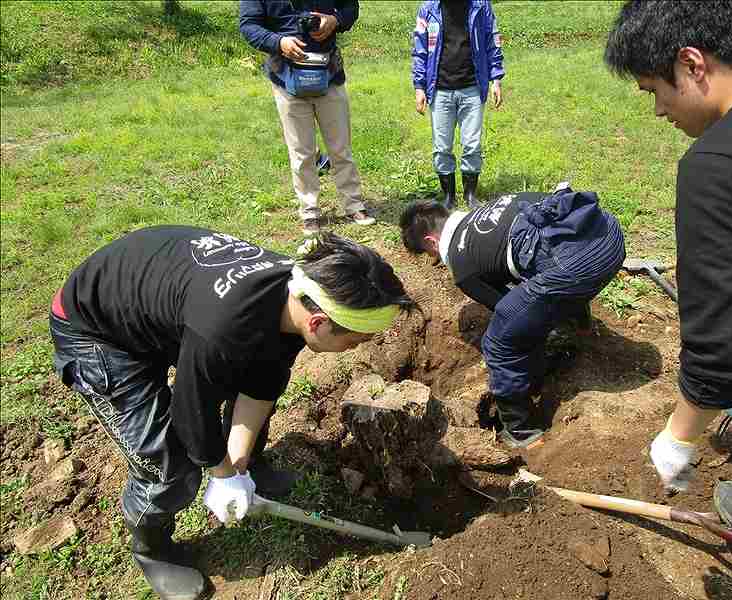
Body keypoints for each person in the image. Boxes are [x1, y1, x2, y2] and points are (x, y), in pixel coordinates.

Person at [49, 227, 414, 600]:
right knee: (169, 462)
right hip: (96, 331)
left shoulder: (294, 297)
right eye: (352, 341)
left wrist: (237, 463)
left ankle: (251, 468)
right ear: (318, 323)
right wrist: (220, 474)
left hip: (154, 309)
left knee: (240, 373)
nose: (353, 349)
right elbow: (192, 414)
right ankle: (151, 549)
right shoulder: (225, 326)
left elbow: (262, 382)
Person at [605, 0, 732, 590]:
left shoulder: (720, 163)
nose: (658, 109)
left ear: (692, 64)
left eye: (652, 90)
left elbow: (721, 353)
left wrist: (678, 437)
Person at [400, 186, 625, 449]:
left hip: (580, 268)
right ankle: (580, 327)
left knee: (498, 344)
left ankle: (521, 432)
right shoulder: (498, 204)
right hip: (609, 234)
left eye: (432, 255)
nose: (436, 258)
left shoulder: (462, 268)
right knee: (546, 265)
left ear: (431, 242)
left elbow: (506, 309)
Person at [239, 1, 375, 236]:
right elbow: (249, 25)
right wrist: (279, 42)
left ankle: (353, 205)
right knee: (302, 152)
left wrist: (336, 21)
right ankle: (310, 211)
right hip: (286, 77)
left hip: (329, 74)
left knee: (340, 147)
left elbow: (350, 8)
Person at [412, 0, 504, 210]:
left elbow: (493, 40)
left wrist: (496, 79)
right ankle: (449, 196)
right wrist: (419, 86)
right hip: (440, 89)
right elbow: (419, 49)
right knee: (441, 147)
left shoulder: (481, 6)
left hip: (472, 87)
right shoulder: (428, 9)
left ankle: (471, 194)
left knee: (472, 145)